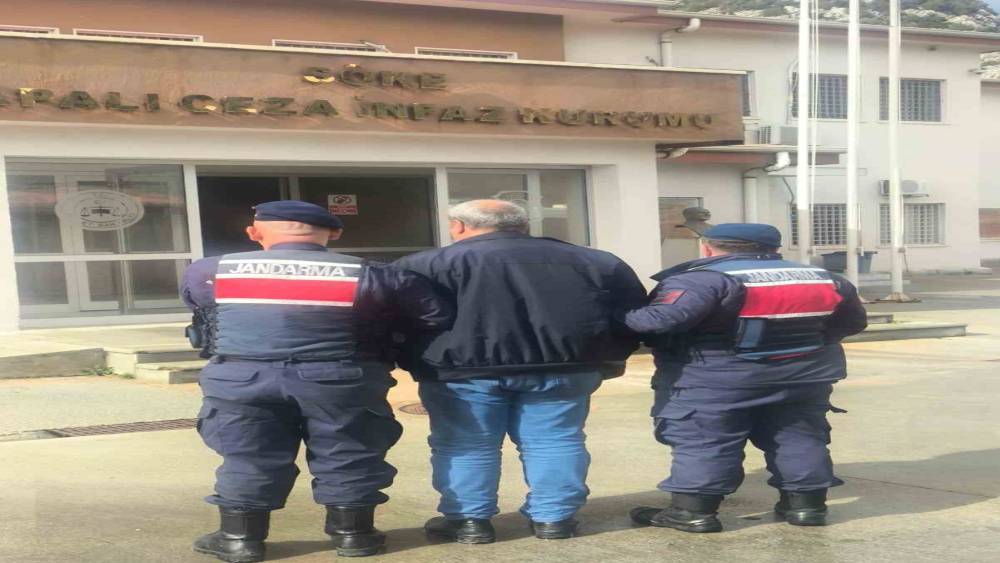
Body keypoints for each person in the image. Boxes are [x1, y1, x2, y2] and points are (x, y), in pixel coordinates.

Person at [181, 200, 453, 562]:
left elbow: (199, 306)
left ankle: (239, 539)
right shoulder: (372, 273)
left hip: (241, 377)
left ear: (254, 232)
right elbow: (433, 315)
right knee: (349, 452)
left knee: (248, 455)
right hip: (341, 378)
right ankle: (355, 537)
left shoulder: (209, 271)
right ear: (335, 233)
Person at [395, 199, 648, 543]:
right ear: (523, 225)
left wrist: (410, 359)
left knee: (466, 444)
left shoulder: (423, 265)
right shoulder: (597, 261)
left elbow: (397, 321)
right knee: (555, 440)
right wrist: (605, 356)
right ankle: (554, 519)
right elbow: (632, 315)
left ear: (458, 226)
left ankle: (469, 521)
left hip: (461, 373)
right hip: (565, 368)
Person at [624, 223, 867, 533]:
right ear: (775, 249)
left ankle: (692, 512)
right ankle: (807, 507)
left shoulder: (703, 279)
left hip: (716, 379)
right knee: (799, 436)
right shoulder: (826, 278)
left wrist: (620, 313)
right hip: (804, 376)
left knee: (706, 440)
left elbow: (658, 321)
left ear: (708, 248)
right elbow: (853, 322)